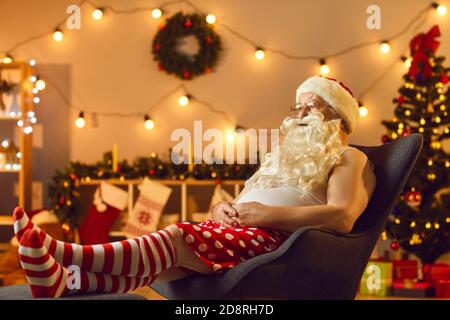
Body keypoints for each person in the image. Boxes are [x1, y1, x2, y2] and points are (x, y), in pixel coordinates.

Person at [12, 75, 376, 298]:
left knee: (175, 239)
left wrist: (268, 215)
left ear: (336, 117)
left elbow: (342, 217)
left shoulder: (349, 158)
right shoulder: (279, 157)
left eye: (308, 108)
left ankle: (67, 254)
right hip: (237, 231)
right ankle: (67, 283)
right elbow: (246, 201)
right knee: (162, 264)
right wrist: (222, 209)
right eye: (295, 108)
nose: (297, 117)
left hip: (277, 243)